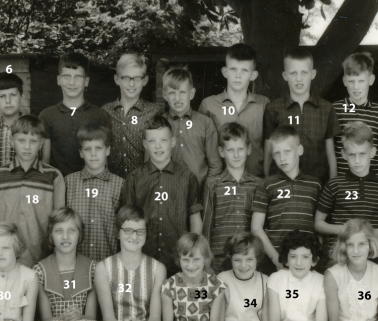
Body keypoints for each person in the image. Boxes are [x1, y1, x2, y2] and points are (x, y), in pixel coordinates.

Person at [120, 113, 203, 277]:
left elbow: (195, 219)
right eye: (152, 141)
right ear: (145, 144)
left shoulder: (187, 177)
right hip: (143, 258)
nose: (158, 146)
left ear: (172, 142)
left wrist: (192, 253)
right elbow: (126, 221)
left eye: (163, 140)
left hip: (178, 259)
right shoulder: (135, 178)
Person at [314, 121, 378, 267]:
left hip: (371, 254)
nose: (357, 161)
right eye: (352, 155)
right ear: (344, 154)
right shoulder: (334, 184)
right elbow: (318, 223)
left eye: (362, 154)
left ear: (372, 153)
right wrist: (343, 230)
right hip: (340, 255)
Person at [0, 115, 66, 268]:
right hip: (5, 259)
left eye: (33, 141)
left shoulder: (53, 176)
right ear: (12, 142)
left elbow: (59, 222)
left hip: (41, 259)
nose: (27, 147)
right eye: (21, 140)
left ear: (41, 144)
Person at [251, 125, 321, 274]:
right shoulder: (266, 185)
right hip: (276, 262)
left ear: (300, 150)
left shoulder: (315, 185)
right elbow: (256, 228)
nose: (282, 158)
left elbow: (319, 227)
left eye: (287, 152)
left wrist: (315, 257)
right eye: (276, 153)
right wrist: (277, 260)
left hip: (307, 263)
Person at [263, 46, 339, 183]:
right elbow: (268, 152)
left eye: (304, 72)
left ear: (313, 74)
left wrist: (332, 187)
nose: (299, 79)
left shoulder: (326, 108)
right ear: (285, 76)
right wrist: (267, 183)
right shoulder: (273, 108)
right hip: (282, 186)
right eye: (293, 73)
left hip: (318, 185)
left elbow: (330, 154)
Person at [199, 43, 269, 178]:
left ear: (253, 75)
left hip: (256, 181)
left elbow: (269, 147)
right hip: (220, 183)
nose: (238, 76)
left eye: (244, 70)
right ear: (225, 72)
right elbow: (201, 148)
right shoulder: (208, 105)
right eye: (233, 69)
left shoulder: (264, 104)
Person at [201, 122, 261, 273]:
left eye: (240, 149)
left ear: (248, 149)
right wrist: (206, 262)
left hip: (246, 259)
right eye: (230, 150)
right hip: (218, 258)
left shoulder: (258, 185)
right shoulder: (213, 184)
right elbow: (206, 226)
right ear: (221, 152)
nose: (236, 155)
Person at [39, 52, 111, 177]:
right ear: (59, 80)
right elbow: (45, 162)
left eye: (78, 77)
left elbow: (104, 160)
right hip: (57, 185)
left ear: (86, 81)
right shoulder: (46, 116)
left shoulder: (100, 116)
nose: (72, 82)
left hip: (91, 185)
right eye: (67, 76)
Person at [64, 123, 124, 263]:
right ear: (80, 152)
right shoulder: (68, 182)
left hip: (108, 260)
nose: (93, 154)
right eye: (87, 149)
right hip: (76, 262)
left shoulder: (120, 184)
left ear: (107, 150)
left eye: (98, 148)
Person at [331, 52, 378, 180]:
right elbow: (331, 154)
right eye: (351, 81)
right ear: (344, 81)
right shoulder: (333, 110)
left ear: (371, 80)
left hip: (373, 183)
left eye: (361, 81)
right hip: (343, 183)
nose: (356, 87)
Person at [102, 53, 164, 178]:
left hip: (143, 184)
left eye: (137, 78)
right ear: (117, 79)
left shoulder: (154, 112)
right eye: (126, 78)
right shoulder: (105, 111)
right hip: (112, 184)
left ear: (145, 80)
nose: (131, 84)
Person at [161, 66, 222, 187]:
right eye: (172, 93)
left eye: (182, 92)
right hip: (167, 192)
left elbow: (215, 165)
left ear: (192, 94)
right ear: (164, 95)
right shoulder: (159, 123)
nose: (177, 98)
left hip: (199, 193)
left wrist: (206, 194)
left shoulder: (205, 123)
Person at [0, 72, 24, 172]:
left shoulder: (33, 127)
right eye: (2, 96)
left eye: (13, 95)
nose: (8, 101)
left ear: (22, 96)